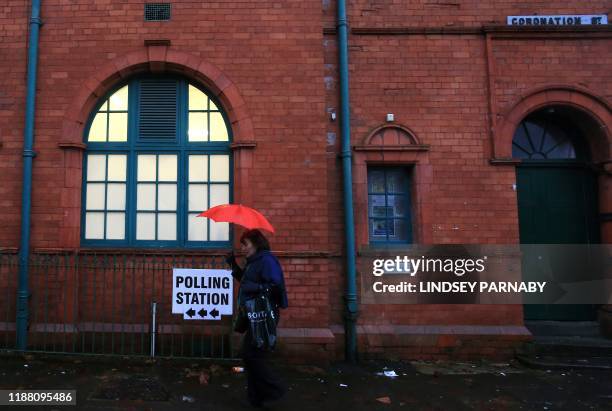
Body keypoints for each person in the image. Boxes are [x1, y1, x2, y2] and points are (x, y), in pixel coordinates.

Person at [226, 229, 289, 408]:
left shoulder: (267, 260)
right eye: (241, 245)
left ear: (256, 243)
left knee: (253, 355)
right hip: (254, 315)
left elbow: (275, 286)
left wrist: (257, 287)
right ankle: (257, 398)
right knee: (249, 355)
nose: (242, 248)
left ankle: (274, 389)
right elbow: (246, 282)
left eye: (245, 244)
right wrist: (234, 266)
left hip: (264, 315)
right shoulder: (253, 262)